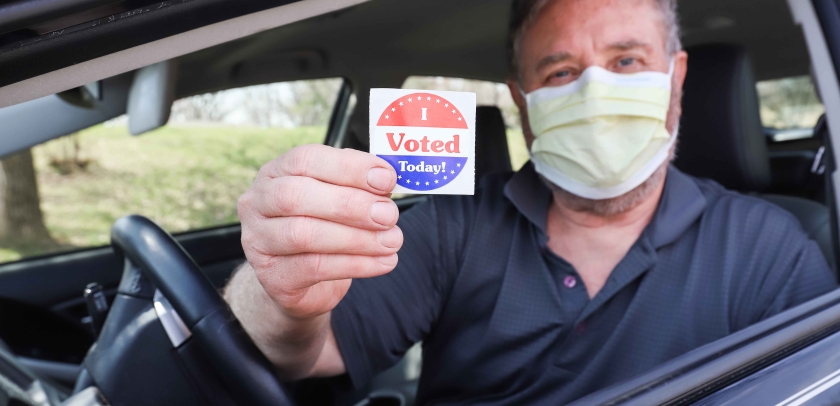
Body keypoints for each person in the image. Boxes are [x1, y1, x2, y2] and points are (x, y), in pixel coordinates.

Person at [224, 0, 839, 403]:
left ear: (675, 80)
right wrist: (276, 288)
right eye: (561, 73)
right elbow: (304, 353)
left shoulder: (768, 246)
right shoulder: (453, 225)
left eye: (627, 61)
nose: (597, 91)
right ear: (523, 104)